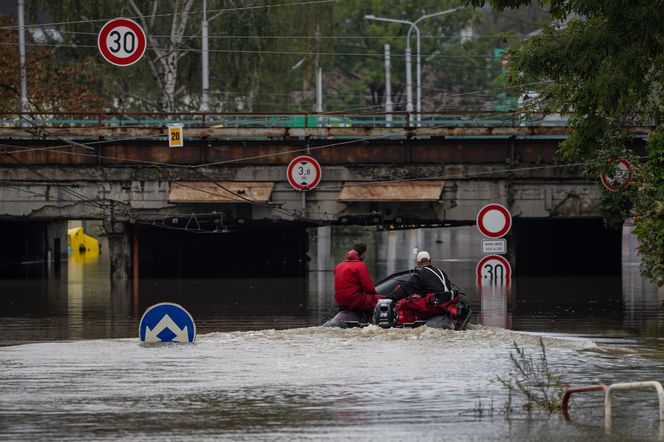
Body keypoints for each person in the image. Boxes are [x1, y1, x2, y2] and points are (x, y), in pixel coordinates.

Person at [387, 251, 455, 303]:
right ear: (430, 260)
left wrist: (389, 298)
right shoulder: (441, 272)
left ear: (418, 263)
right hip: (447, 302)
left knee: (406, 306)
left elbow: (406, 289)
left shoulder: (420, 274)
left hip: (436, 305)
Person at [333, 242, 382, 312]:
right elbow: (369, 288)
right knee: (384, 300)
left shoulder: (338, 266)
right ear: (361, 255)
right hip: (354, 300)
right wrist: (376, 296)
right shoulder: (360, 265)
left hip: (339, 300)